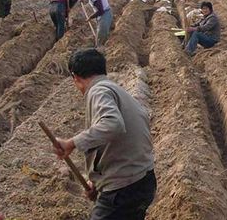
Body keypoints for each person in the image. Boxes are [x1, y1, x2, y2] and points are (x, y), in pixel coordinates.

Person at [51, 49, 156, 220]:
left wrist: (71, 143)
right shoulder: (114, 89)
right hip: (141, 181)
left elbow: (113, 125)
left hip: (125, 189)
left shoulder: (98, 91)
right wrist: (100, 183)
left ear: (75, 77)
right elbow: (118, 141)